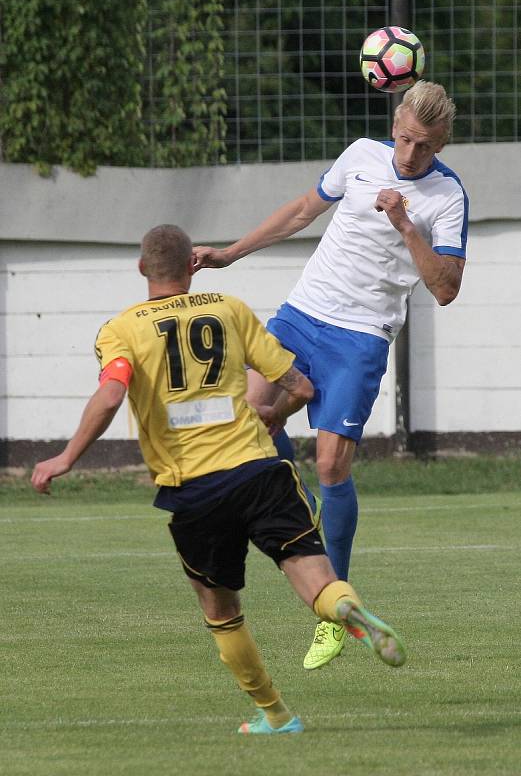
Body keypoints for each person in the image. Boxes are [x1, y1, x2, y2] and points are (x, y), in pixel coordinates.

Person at [31, 224, 406, 736]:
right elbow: (299, 383)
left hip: (195, 489)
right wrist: (277, 412)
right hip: (259, 469)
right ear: (193, 266)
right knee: (312, 575)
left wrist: (67, 456)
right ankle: (346, 607)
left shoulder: (121, 330)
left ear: (142, 269)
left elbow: (113, 394)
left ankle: (275, 714)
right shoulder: (229, 309)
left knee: (222, 610)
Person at [193, 80, 468, 671]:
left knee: (332, 465)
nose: (409, 154)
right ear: (394, 125)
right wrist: (230, 254)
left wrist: (405, 225)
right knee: (247, 416)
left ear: (443, 141)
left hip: (362, 336)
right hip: (303, 314)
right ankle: (288, 487)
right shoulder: (360, 155)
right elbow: (300, 211)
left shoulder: (446, 195)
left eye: (424, 146)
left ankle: (334, 610)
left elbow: (445, 288)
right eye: (404, 139)